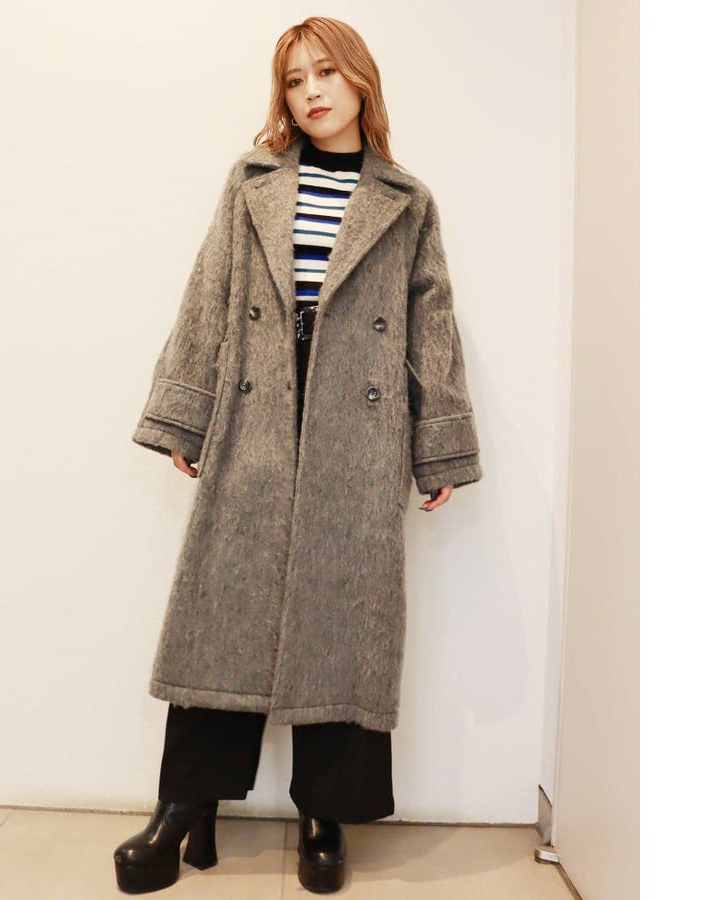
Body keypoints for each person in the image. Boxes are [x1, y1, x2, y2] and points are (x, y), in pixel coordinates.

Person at [114, 15, 483, 895]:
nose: (311, 91)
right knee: (223, 606)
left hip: (360, 429)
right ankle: (184, 806)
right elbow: (208, 297)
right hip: (258, 413)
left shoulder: (407, 200)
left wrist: (437, 449)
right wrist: (188, 417)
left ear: (360, 80)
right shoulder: (253, 183)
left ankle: (326, 811)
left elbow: (431, 327)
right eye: (293, 78)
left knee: (345, 616)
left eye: (325, 72)